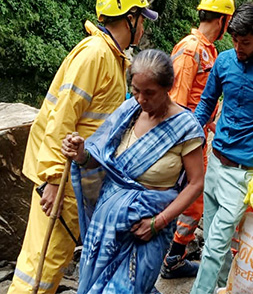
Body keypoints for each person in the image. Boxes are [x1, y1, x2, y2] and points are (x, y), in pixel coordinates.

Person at [9, 0, 157, 294]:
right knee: (42, 261)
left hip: (77, 174)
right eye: (142, 19)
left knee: (54, 257)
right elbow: (61, 117)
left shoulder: (115, 59)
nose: (143, 26)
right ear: (130, 18)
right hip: (60, 177)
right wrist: (50, 178)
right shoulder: (94, 56)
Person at [61, 49, 205, 294]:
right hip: (108, 224)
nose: (141, 99)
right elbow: (103, 160)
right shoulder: (128, 112)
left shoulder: (185, 128)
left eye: (149, 93)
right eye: (136, 90)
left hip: (148, 229)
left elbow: (195, 184)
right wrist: (81, 154)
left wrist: (157, 223)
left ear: (168, 87)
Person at [190, 3, 253, 294]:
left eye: (245, 42)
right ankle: (223, 288)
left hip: (243, 174)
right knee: (214, 241)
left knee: (214, 245)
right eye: (234, 40)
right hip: (215, 161)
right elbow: (206, 104)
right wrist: (191, 136)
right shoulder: (224, 62)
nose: (238, 47)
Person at [161, 0, 235, 279]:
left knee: (195, 198)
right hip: (186, 139)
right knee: (191, 196)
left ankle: (175, 253)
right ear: (223, 20)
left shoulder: (207, 49)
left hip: (197, 134)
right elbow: (178, 101)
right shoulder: (192, 50)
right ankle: (171, 257)